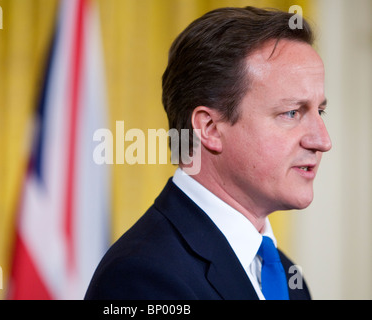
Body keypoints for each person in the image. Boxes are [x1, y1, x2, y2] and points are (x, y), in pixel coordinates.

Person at [85, 6, 331, 300]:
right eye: (292, 112)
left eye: (321, 111)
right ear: (210, 128)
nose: (322, 140)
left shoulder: (289, 279)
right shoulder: (143, 277)